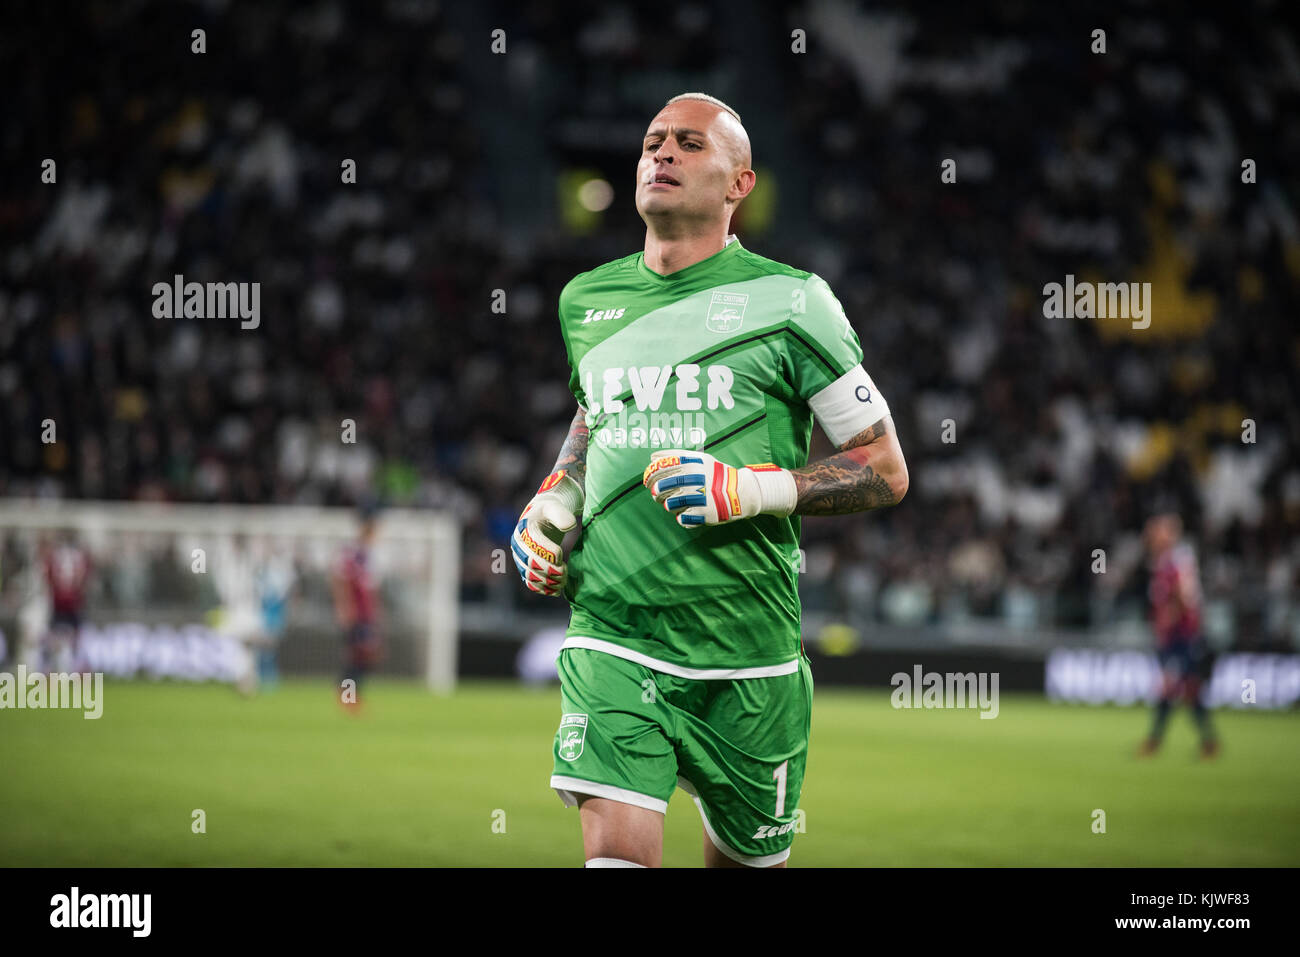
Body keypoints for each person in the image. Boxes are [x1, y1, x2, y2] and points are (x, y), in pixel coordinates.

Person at [511, 93, 909, 868]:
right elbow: (595, 419)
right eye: (652, 141)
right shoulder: (585, 299)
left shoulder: (796, 302)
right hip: (615, 634)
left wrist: (752, 490)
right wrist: (556, 493)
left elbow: (885, 468)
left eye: (688, 144)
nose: (660, 154)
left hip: (749, 656)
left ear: (740, 184)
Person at [1138, 514, 1219, 758]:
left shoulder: (1178, 562)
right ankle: (1207, 742)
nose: (1151, 537)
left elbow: (1185, 598)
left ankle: (1155, 741)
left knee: (1174, 687)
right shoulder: (1163, 562)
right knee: (1184, 689)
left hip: (1182, 636)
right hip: (1174, 637)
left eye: (1157, 532)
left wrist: (1169, 618)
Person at [331, 505, 382, 710]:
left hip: (367, 614)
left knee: (367, 655)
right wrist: (344, 607)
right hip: (356, 613)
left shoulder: (368, 554)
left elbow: (370, 589)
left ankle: (350, 693)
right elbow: (339, 580)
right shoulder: (352, 553)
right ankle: (347, 695)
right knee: (359, 654)